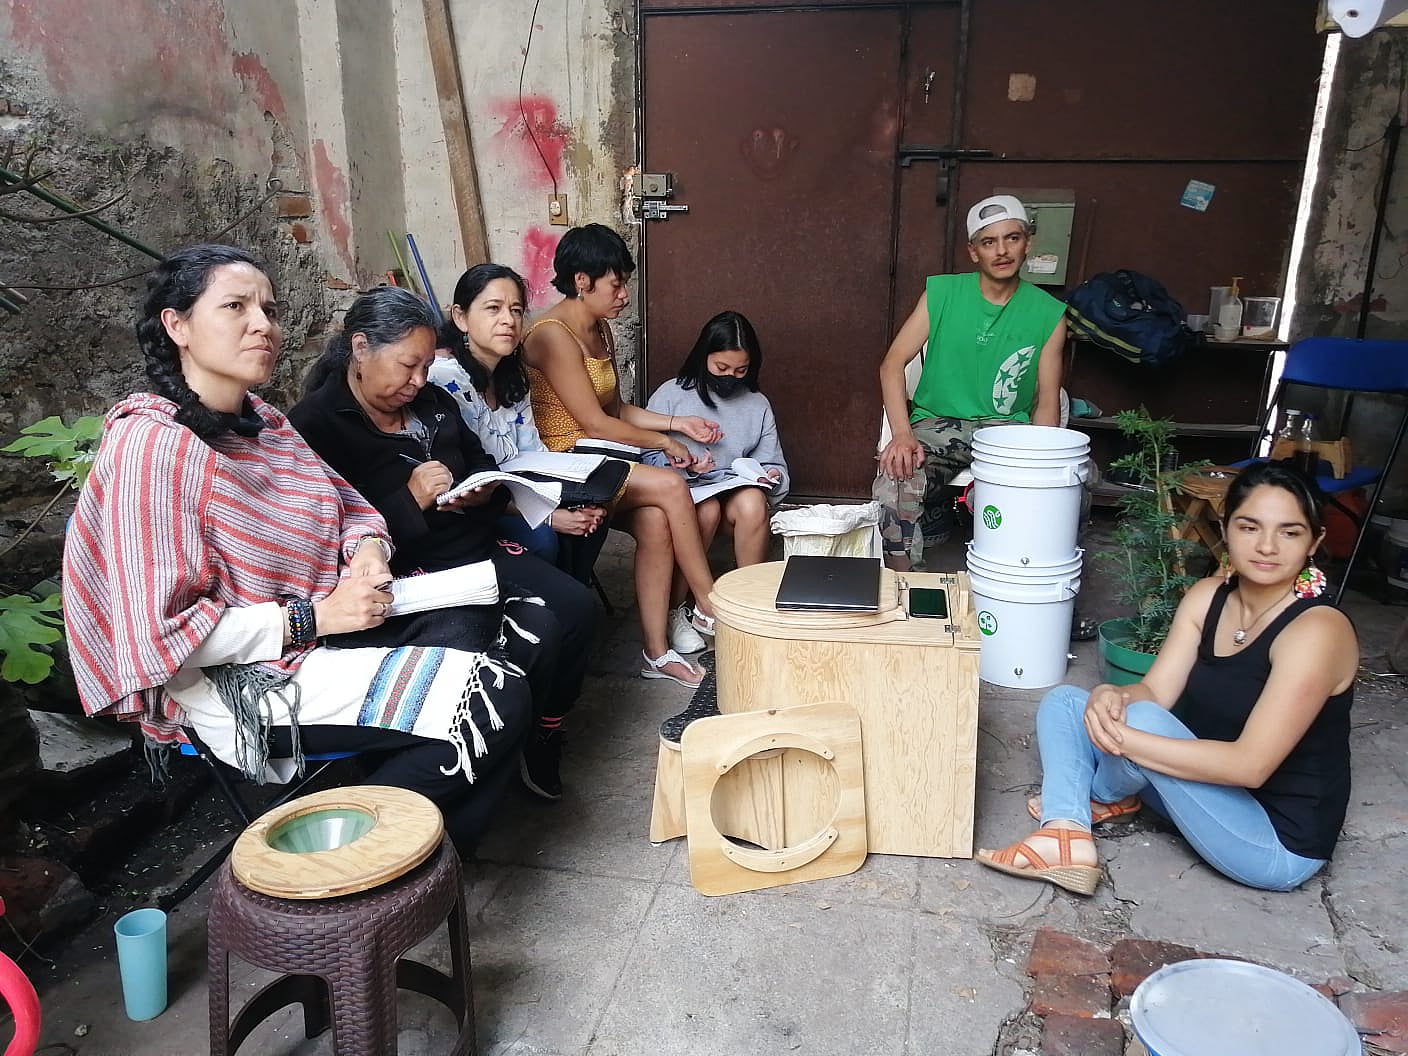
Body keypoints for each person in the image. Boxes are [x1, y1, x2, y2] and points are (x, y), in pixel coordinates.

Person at [62, 244, 533, 854]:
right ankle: (331, 860)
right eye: (235, 306)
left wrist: (366, 554)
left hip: (317, 629)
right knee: (495, 696)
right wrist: (316, 616)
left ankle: (421, 854)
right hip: (240, 681)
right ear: (176, 325)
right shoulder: (153, 449)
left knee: (485, 619)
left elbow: (351, 508)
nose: (263, 323)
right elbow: (158, 637)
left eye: (268, 307)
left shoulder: (265, 423)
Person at [977, 462, 1357, 894]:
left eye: (1289, 532)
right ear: (1227, 527)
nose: (1267, 546)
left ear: (1314, 542)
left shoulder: (1318, 631)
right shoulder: (1207, 597)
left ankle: (1096, 794)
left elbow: (1250, 766)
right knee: (1068, 701)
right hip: (1200, 788)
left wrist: (1119, 738)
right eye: (1250, 527)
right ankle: (1067, 831)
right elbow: (1155, 691)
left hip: (1272, 841)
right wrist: (1111, 694)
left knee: (1136, 723)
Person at [289, 285, 596, 802]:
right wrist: (409, 499)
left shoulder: (433, 401)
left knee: (576, 609)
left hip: (477, 546)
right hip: (413, 569)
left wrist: (475, 491)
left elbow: (480, 462)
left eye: (427, 366)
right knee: (521, 632)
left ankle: (541, 731)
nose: (419, 380)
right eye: (408, 365)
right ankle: (493, 741)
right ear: (360, 348)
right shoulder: (316, 426)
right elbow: (328, 535)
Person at [521, 223, 721, 688]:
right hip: (563, 464)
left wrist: (677, 425)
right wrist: (667, 445)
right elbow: (592, 423)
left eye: (625, 283)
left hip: (598, 458)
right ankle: (709, 602)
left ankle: (656, 651)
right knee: (671, 483)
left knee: (655, 521)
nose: (625, 295)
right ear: (582, 282)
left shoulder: (600, 329)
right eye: (617, 283)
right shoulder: (553, 335)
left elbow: (615, 410)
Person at [874, 194, 1068, 570]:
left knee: (1059, 487)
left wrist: (1041, 461)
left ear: (1028, 243)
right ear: (973, 251)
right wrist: (901, 434)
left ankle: (1025, 583)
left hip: (1008, 433)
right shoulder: (943, 294)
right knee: (897, 474)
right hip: (939, 425)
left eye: (1012, 238)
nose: (1002, 251)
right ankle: (905, 584)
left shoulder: (1049, 314)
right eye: (988, 241)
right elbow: (891, 365)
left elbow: (1047, 399)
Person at [429, 263, 609, 582]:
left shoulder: (511, 378)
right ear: (460, 317)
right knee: (543, 537)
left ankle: (571, 601)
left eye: (516, 310)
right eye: (493, 308)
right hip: (473, 509)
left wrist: (569, 496)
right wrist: (549, 517)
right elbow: (467, 486)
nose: (508, 321)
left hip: (519, 491)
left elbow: (532, 453)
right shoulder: (445, 381)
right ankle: (550, 609)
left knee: (595, 512)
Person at [645, 310, 789, 628]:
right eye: (721, 368)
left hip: (734, 494)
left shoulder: (756, 404)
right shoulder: (672, 395)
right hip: (688, 495)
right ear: (703, 356)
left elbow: (773, 462)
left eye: (741, 370)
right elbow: (644, 460)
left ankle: (745, 601)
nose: (730, 377)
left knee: (753, 502)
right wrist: (688, 466)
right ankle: (677, 608)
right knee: (706, 509)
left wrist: (771, 476)